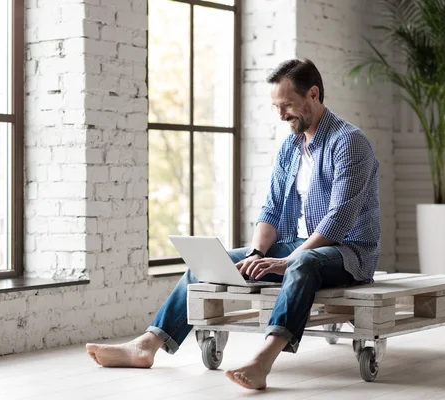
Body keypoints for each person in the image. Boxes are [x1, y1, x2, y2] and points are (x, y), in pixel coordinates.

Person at [86, 58, 381, 390]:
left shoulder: (349, 142)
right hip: (298, 244)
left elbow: (338, 220)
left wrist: (287, 260)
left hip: (347, 253)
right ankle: (147, 345)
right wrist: (256, 253)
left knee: (302, 264)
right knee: (210, 264)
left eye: (287, 105)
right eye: (276, 107)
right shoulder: (290, 147)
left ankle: (262, 360)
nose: (281, 115)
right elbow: (271, 210)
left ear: (313, 94)